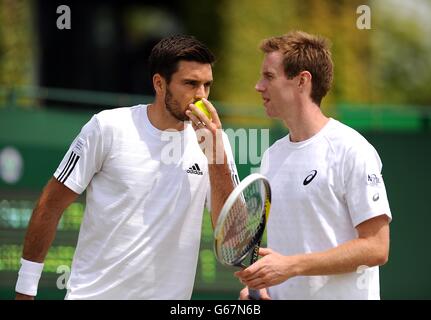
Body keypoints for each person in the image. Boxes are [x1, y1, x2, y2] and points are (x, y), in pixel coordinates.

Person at [15, 35, 238, 300]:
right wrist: (25, 289)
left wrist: (216, 157)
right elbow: (50, 205)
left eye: (206, 85)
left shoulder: (217, 145)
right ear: (159, 83)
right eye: (190, 83)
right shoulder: (107, 127)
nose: (201, 95)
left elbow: (232, 239)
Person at [236, 31, 391, 300]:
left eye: (269, 76)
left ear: (302, 81)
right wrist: (261, 287)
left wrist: (291, 266)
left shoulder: (352, 150)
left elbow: (377, 247)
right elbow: (283, 251)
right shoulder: (271, 157)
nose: (258, 86)